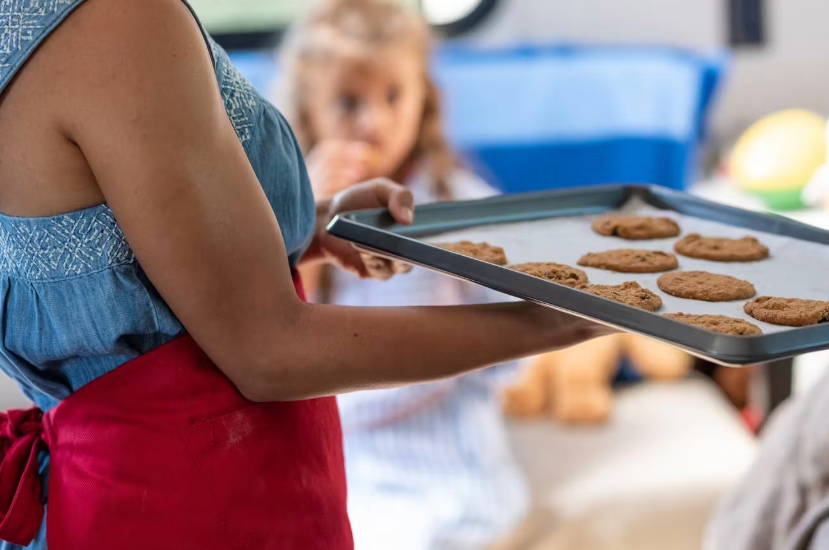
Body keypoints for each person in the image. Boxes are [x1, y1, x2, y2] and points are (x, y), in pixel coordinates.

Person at [0, 0, 607, 548]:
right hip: (208, 507)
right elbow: (269, 352)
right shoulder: (118, 22)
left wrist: (306, 228)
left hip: (136, 499)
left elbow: (128, 263)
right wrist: (556, 318)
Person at [276, 1, 528, 547]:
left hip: (443, 460)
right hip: (341, 456)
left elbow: (523, 325)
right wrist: (305, 221)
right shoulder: (282, 215)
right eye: (348, 101)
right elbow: (282, 340)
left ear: (425, 99)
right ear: (309, 110)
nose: (376, 122)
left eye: (395, 97)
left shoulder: (453, 205)